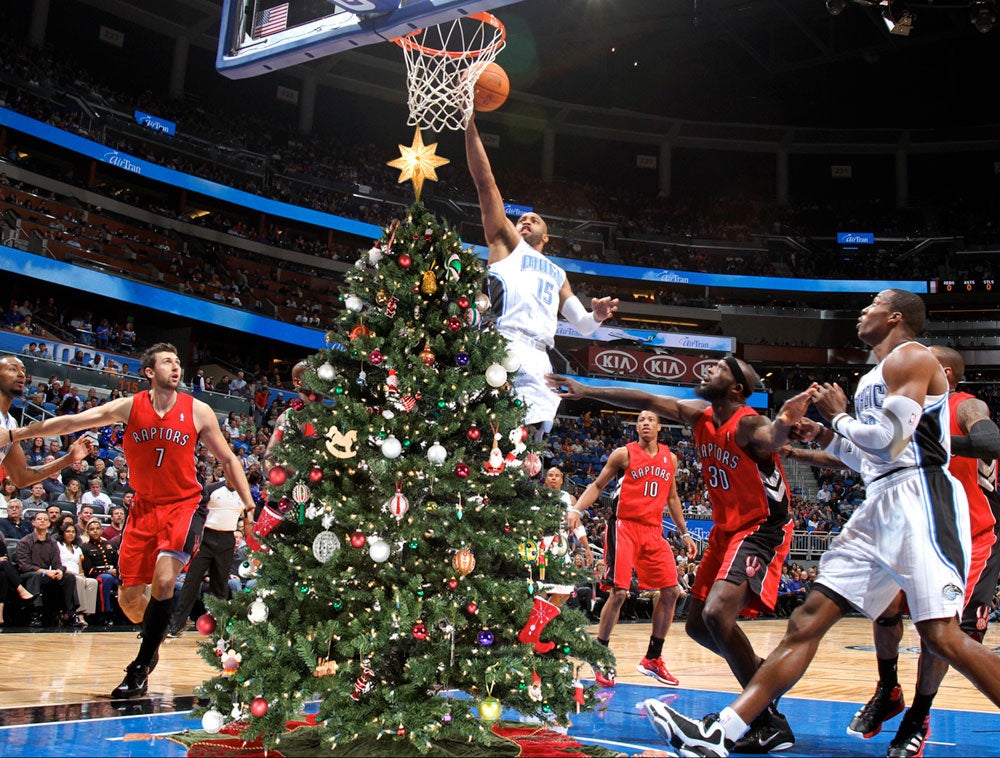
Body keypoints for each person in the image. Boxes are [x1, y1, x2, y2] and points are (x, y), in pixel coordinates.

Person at [643, 290, 1000, 757]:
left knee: (940, 636)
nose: (863, 310)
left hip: (922, 499)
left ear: (895, 317)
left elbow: (891, 443)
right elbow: (865, 456)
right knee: (805, 621)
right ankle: (723, 733)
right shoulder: (873, 375)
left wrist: (840, 418)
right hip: (880, 501)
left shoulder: (912, 356)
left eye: (872, 304)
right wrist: (827, 433)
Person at [548, 365, 812, 753]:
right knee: (698, 627)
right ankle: (765, 690)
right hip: (726, 529)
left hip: (761, 527)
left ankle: (762, 714)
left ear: (737, 388)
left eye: (720, 368)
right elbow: (644, 398)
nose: (709, 369)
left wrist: (787, 424)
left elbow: (772, 435)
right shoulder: (698, 416)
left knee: (717, 614)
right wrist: (586, 389)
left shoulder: (748, 424)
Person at [0, 343, 257, 698]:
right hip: (143, 509)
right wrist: (17, 435)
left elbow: (228, 460)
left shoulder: (198, 410)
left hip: (183, 505)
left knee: (165, 580)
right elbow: (74, 421)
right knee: (130, 601)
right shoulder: (129, 406)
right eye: (167, 361)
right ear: (150, 372)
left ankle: (139, 667)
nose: (176, 366)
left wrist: (249, 505)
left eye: (178, 361)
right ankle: (153, 641)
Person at [787, 344, 1000, 758]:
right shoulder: (897, 407)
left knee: (939, 634)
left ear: (944, 374)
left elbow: (990, 441)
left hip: (967, 535)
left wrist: (932, 441)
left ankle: (918, 716)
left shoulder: (963, 405)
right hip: (913, 527)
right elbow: (865, 459)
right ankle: (888, 688)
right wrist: (801, 448)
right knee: (883, 609)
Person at [464, 115, 618, 440]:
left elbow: (584, 325)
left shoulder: (558, 273)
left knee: (531, 451)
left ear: (546, 237)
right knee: (489, 437)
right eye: (522, 218)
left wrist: (599, 315)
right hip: (502, 341)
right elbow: (485, 183)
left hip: (539, 358)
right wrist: (469, 124)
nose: (525, 221)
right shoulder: (507, 243)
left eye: (534, 220)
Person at [572, 408, 697, 688]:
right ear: (637, 427)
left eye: (650, 419)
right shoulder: (623, 454)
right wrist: (577, 509)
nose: (645, 423)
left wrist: (685, 532)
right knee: (619, 593)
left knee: (672, 590)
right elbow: (597, 484)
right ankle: (599, 655)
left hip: (653, 530)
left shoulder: (671, 459)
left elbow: (673, 498)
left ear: (659, 426)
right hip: (624, 526)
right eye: (640, 420)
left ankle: (653, 658)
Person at [0, 357, 93, 491]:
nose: (21, 374)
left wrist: (69, 459)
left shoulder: (10, 423)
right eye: (13, 369)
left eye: (23, 371)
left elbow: (21, 477)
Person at [168, 481, 248, 637]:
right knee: (192, 581)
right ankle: (177, 624)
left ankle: (219, 626)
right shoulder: (212, 489)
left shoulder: (243, 492)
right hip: (207, 537)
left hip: (227, 539)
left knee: (220, 584)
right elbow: (197, 511)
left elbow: (247, 515)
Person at [15, 510, 80, 627]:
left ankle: (70, 613)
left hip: (47, 575)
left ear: (49, 524)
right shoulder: (24, 542)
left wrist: (59, 571)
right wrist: (45, 571)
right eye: (39, 519)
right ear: (33, 523)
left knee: (69, 577)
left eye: (45, 519)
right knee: (34, 576)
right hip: (28, 575)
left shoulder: (53, 542)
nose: (42, 521)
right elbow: (24, 566)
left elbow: (57, 563)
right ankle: (35, 613)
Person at [543, 466, 594, 566]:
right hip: (541, 545)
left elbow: (577, 526)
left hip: (561, 547)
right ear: (545, 480)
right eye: (550, 475)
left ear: (561, 480)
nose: (553, 478)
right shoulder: (537, 496)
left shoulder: (569, 498)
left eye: (557, 476)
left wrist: (587, 548)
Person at [82, 518, 120, 627]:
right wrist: (107, 571)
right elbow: (89, 569)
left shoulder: (111, 545)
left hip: (115, 574)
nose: (95, 531)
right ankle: (105, 613)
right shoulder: (85, 547)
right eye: (92, 529)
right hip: (98, 575)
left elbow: (118, 562)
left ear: (101, 530)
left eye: (97, 529)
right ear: (87, 532)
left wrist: (117, 570)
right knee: (106, 578)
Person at [57, 522, 96, 625]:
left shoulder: (77, 548)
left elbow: (79, 566)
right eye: (68, 531)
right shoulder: (58, 546)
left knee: (92, 582)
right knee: (78, 580)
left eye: (73, 532)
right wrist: (74, 574)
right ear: (63, 533)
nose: (71, 534)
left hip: (77, 573)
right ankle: (79, 614)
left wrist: (82, 574)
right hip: (64, 574)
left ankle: (89, 613)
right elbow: (57, 564)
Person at [0, 536, 35, 625]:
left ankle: (0, 615)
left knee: (3, 576)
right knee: (4, 565)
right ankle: (21, 590)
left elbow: (4, 558)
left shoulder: (0, 543)